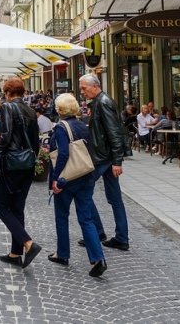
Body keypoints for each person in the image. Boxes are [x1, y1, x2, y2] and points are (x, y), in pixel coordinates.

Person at [48, 93, 107, 277]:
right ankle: (98, 258)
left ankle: (62, 254)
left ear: (59, 109)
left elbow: (64, 154)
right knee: (86, 219)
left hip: (67, 178)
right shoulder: (82, 125)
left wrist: (56, 179)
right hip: (85, 176)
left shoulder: (61, 128)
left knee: (62, 216)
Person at [0, 77, 42, 269]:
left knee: (0, 205)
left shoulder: (8, 107)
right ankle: (15, 253)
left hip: (12, 163)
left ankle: (28, 243)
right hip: (28, 163)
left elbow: (5, 137)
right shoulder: (30, 110)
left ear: (7, 92)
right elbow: (35, 141)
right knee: (17, 207)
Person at [78, 73, 130, 251]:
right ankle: (121, 237)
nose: (82, 92)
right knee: (115, 198)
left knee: (82, 190)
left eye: (84, 88)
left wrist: (117, 161)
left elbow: (114, 133)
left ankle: (97, 232)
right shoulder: (100, 101)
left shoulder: (103, 102)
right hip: (106, 156)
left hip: (103, 157)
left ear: (95, 86)